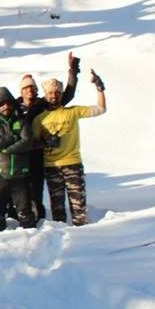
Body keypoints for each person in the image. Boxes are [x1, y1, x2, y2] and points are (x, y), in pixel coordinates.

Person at [0, 52, 79, 222]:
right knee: (15, 196)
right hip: (16, 159)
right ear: (21, 91)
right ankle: (15, 222)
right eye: (26, 88)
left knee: (35, 193)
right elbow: (2, 102)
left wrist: (73, 72)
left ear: (36, 90)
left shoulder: (42, 104)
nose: (29, 91)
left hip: (36, 155)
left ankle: (38, 225)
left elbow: (67, 95)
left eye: (32, 88)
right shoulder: (15, 106)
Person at [32, 70, 107, 226]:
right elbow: (32, 141)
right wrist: (46, 141)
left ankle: (82, 236)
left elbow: (100, 109)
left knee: (78, 205)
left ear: (61, 94)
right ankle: (61, 235)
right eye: (51, 93)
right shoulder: (39, 118)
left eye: (57, 93)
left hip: (72, 163)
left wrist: (100, 89)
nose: (54, 96)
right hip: (51, 166)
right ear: (45, 95)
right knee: (57, 207)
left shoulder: (72, 112)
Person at [0, 87, 36, 232]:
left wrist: (7, 149)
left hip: (20, 173)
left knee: (25, 210)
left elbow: (27, 141)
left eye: (9, 104)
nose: (6, 107)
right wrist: (13, 138)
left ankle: (31, 240)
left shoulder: (22, 122)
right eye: (2, 104)